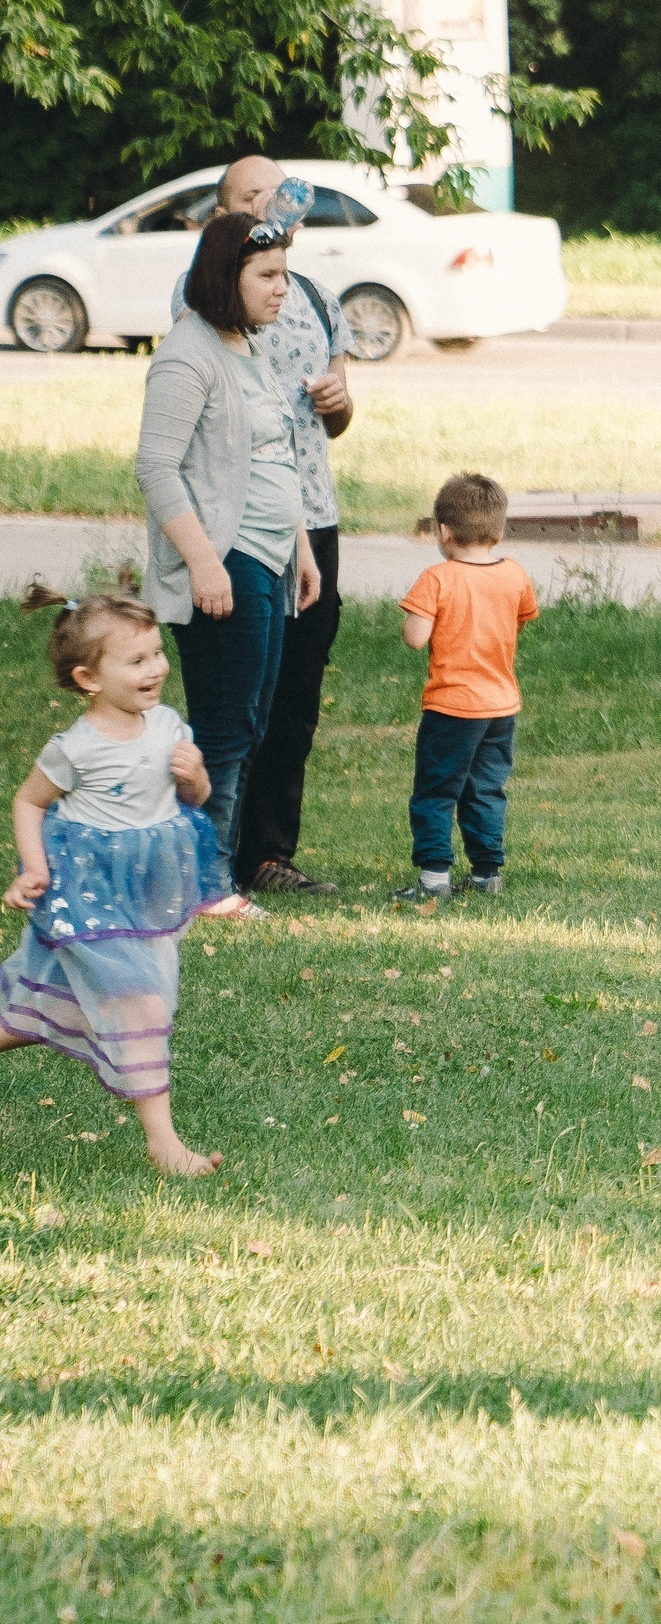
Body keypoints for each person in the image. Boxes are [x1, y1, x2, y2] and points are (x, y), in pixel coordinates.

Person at [169, 156, 356, 898]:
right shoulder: (204, 313)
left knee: (291, 695)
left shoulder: (313, 296)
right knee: (232, 704)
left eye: (277, 198)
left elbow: (327, 425)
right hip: (235, 528)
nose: (269, 210)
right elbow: (166, 458)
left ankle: (266, 854)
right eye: (250, 200)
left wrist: (340, 399)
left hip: (308, 520)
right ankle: (205, 865)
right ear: (222, 218)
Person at [137, 211, 325, 916]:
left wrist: (302, 549)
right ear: (227, 276)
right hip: (226, 562)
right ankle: (204, 885)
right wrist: (204, 564)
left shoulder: (246, 344)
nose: (283, 290)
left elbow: (275, 455)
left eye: (284, 274)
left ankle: (210, 869)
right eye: (268, 276)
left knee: (253, 722)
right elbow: (156, 468)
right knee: (224, 727)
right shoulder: (188, 355)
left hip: (272, 559)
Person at [0, 587, 225, 1176]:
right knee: (141, 1002)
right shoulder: (74, 748)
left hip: (146, 896)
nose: (156, 668)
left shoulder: (169, 724)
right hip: (88, 893)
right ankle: (165, 1145)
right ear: (88, 678)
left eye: (156, 653)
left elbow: (193, 801)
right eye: (137, 660)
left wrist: (195, 773)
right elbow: (27, 803)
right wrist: (33, 868)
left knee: (33, 1000)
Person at [393, 474, 538, 903]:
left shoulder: (437, 578)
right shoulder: (514, 574)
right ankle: (486, 874)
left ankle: (434, 880)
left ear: (444, 531)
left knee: (436, 791)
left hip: (452, 708)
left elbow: (415, 637)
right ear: (498, 528)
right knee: (486, 789)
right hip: (501, 707)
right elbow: (520, 619)